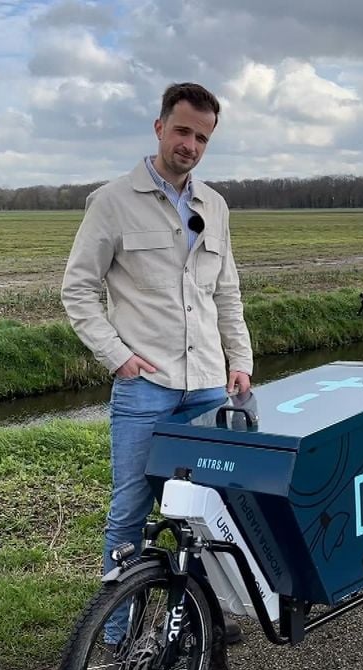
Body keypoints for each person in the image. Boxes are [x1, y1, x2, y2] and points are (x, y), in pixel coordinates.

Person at [61, 83, 253, 638]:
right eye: (183, 131)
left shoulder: (214, 206)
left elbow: (227, 294)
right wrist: (117, 356)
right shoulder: (113, 201)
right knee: (131, 511)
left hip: (211, 386)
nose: (190, 144)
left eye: (202, 137)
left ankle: (202, 618)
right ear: (159, 127)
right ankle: (116, 632)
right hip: (148, 388)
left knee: (214, 508)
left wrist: (238, 359)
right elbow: (77, 290)